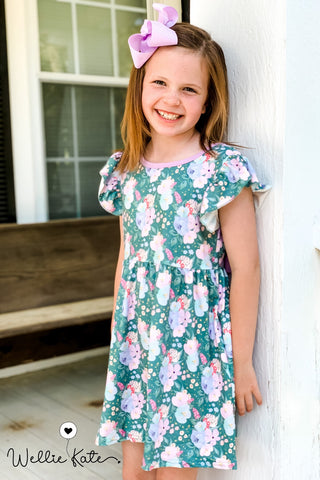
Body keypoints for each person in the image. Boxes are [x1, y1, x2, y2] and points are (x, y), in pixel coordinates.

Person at [95, 4, 270, 479]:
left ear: (208, 101)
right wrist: (119, 337)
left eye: (189, 89)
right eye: (160, 83)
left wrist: (242, 362)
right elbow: (127, 260)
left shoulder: (218, 172)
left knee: (174, 472)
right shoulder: (126, 172)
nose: (172, 99)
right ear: (140, 88)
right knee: (133, 469)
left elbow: (247, 269)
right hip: (137, 344)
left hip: (191, 350)